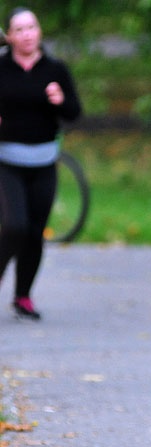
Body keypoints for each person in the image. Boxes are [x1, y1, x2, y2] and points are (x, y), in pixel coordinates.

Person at [0, 7, 82, 320]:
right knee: (14, 226)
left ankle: (23, 296)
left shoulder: (55, 69)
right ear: (9, 36)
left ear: (39, 31)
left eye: (31, 27)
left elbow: (74, 113)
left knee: (35, 232)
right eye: (19, 29)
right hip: (6, 161)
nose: (27, 34)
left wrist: (61, 100)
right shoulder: (2, 68)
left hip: (44, 162)